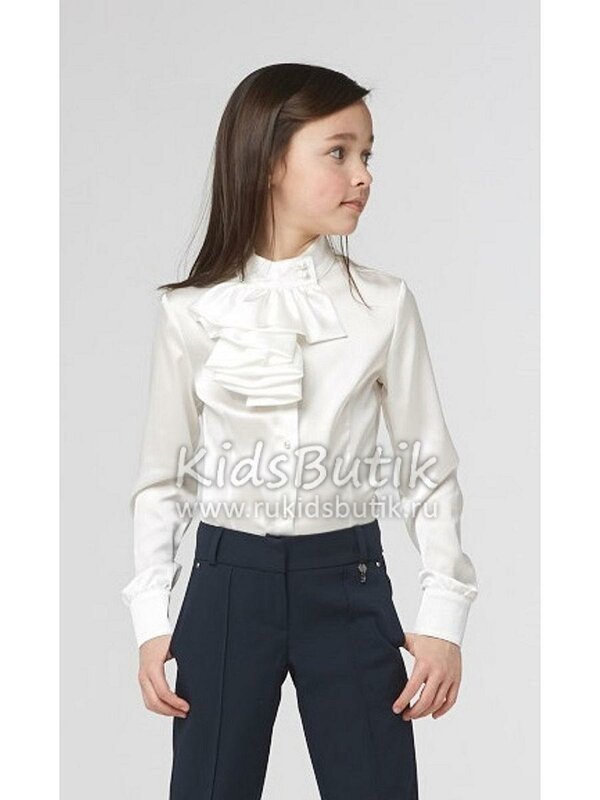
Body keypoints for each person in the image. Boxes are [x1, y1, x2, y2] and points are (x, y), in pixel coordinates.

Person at [121, 63, 479, 800]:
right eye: (338, 152)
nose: (363, 175)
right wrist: (151, 619)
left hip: (347, 585)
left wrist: (444, 616)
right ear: (269, 161)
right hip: (226, 590)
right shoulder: (190, 312)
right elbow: (164, 479)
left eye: (367, 154)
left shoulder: (383, 305)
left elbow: (427, 470)